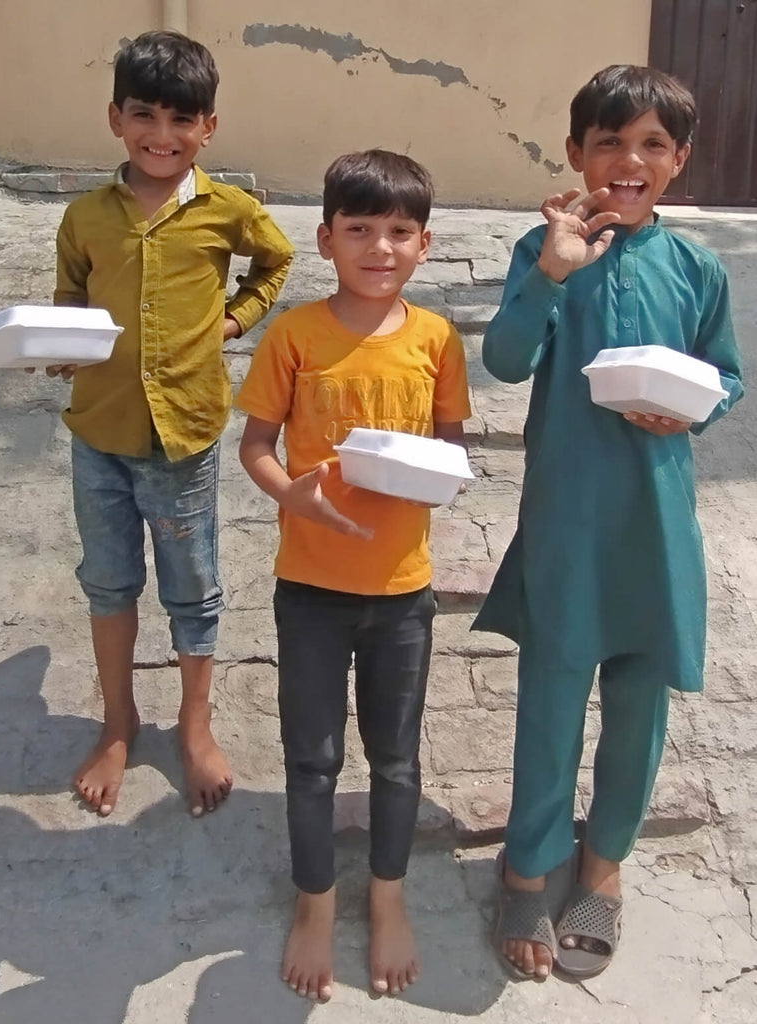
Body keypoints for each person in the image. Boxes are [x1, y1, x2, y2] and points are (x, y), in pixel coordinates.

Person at [472, 64, 744, 981]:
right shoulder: (546, 249)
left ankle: (604, 862)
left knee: (637, 705)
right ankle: (527, 863)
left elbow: (729, 377)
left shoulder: (698, 268)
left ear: (681, 160)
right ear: (577, 155)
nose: (630, 161)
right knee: (551, 700)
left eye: (652, 145)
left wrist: (695, 409)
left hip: (658, 521)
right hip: (568, 518)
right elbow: (507, 362)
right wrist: (551, 270)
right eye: (610, 143)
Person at [235, 149, 471, 1001]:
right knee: (312, 760)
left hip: (403, 592)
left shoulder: (438, 339)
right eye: (361, 230)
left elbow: (451, 448)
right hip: (310, 591)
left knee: (396, 760)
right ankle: (314, 902)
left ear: (425, 244)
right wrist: (291, 495)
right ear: (327, 238)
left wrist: (433, 472)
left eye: (400, 232)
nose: (381, 247)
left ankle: (389, 897)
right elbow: (255, 445)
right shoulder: (296, 335)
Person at [42, 30, 293, 818]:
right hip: (100, 432)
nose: (162, 135)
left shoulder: (230, 211)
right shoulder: (85, 217)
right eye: (144, 115)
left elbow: (276, 262)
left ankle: (194, 722)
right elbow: (69, 295)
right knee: (108, 579)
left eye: (181, 119)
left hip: (183, 436)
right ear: (116, 117)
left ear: (208, 127)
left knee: (192, 588)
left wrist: (233, 322)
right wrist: (59, 341)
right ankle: (119, 722)